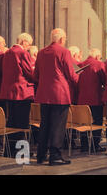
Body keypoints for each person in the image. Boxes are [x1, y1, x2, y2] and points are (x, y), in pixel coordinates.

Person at [34, 28, 79, 166]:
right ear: (61, 39)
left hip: (44, 94)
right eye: (64, 39)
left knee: (45, 125)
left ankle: (41, 155)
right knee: (58, 127)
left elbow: (36, 75)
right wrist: (79, 79)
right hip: (59, 94)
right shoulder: (63, 51)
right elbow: (71, 74)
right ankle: (55, 156)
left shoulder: (41, 53)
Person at [0, 33, 35, 154]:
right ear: (24, 42)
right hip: (22, 92)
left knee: (12, 123)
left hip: (9, 92)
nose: (29, 47)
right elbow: (29, 72)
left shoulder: (7, 53)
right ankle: (22, 152)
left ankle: (9, 150)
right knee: (22, 125)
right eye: (29, 45)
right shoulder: (22, 53)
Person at [77, 48, 107, 153]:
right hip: (95, 98)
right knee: (97, 122)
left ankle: (84, 146)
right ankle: (95, 145)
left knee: (84, 122)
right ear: (98, 56)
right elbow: (105, 80)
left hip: (81, 99)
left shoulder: (81, 64)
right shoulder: (99, 64)